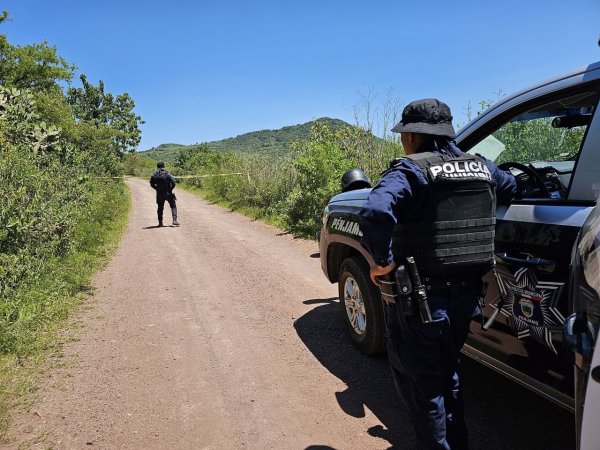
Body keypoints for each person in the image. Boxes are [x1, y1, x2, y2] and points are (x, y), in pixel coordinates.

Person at [359, 99, 516, 449]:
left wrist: (381, 262)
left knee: (423, 389)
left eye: (404, 135)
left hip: (421, 302)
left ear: (413, 136)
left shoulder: (412, 170)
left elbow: (375, 211)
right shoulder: (483, 167)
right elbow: (511, 188)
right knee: (448, 376)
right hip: (466, 300)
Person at [149, 161, 179, 227]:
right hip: (168, 193)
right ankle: (174, 220)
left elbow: (151, 184)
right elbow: (174, 183)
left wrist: (157, 188)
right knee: (173, 206)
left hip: (159, 194)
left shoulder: (154, 175)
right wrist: (170, 189)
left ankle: (160, 223)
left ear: (157, 166)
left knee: (160, 208)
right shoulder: (167, 174)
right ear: (163, 166)